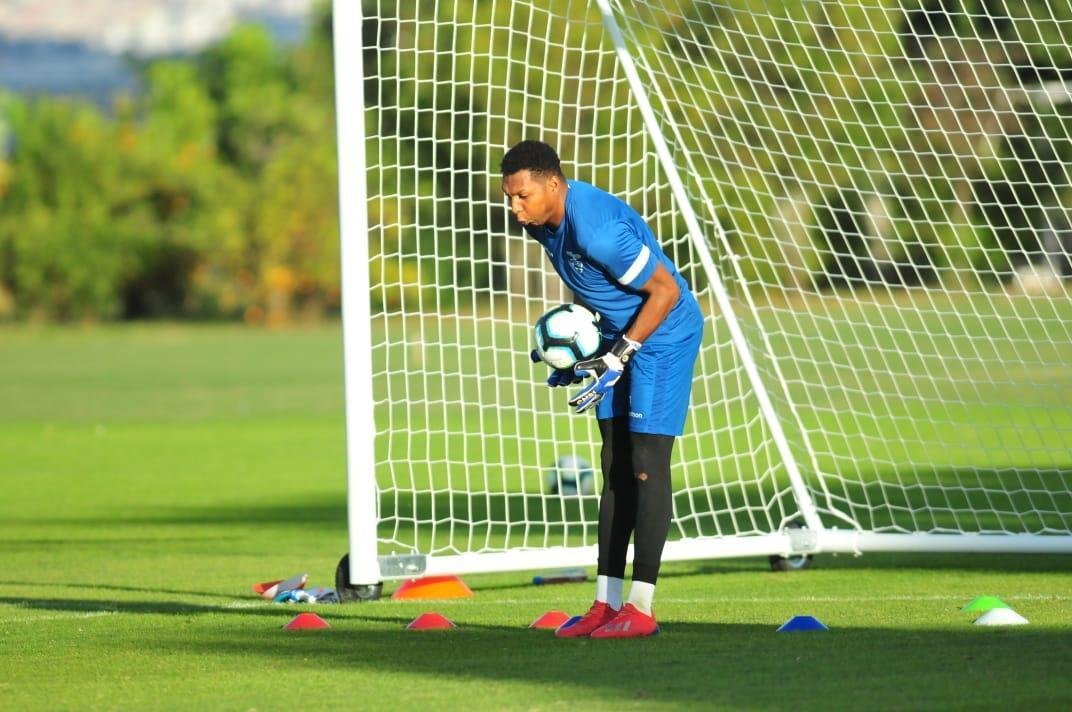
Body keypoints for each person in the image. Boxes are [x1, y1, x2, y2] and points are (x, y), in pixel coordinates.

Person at [501, 140, 704, 639]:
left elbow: (666, 292)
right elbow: (589, 286)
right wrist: (578, 345)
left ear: (553, 184)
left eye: (522, 196)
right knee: (613, 462)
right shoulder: (540, 224)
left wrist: (620, 353)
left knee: (643, 462)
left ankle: (641, 607)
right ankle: (605, 603)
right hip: (619, 336)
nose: (514, 208)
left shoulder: (597, 231)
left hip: (663, 334)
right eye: (509, 197)